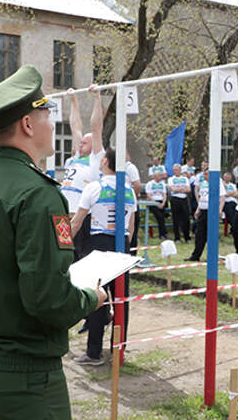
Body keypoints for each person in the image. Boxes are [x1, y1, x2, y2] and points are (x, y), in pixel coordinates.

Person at [0, 65, 106, 417]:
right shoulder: (38, 194)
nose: (53, 124)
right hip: (22, 371)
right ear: (28, 125)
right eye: (46, 114)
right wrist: (91, 298)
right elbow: (48, 299)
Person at [71, 148, 137, 365]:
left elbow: (78, 221)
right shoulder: (129, 190)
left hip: (99, 244)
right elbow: (131, 225)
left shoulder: (94, 187)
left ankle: (93, 352)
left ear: (106, 161)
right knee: (121, 299)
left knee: (97, 298)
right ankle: (119, 350)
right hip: (122, 243)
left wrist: (62, 243)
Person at [61, 86, 104, 260]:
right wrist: (73, 100)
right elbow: (75, 127)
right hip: (63, 214)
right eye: (81, 143)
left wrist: (97, 98)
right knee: (63, 255)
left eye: (85, 143)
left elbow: (96, 127)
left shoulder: (95, 159)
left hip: (78, 218)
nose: (80, 144)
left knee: (78, 257)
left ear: (93, 144)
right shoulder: (75, 158)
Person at [185, 169, 224, 261]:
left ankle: (212, 256)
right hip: (203, 211)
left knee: (211, 235)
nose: (204, 176)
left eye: (206, 174)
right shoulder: (203, 184)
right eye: (203, 174)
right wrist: (198, 209)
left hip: (212, 211)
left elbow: (222, 197)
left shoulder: (218, 183)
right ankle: (196, 255)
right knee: (199, 234)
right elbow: (202, 198)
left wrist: (220, 210)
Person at [168, 163, 191, 243]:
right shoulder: (171, 179)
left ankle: (187, 237)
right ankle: (177, 238)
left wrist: (178, 189)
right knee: (176, 219)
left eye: (177, 170)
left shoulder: (185, 179)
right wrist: (182, 188)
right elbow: (173, 189)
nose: (175, 171)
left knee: (186, 219)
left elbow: (188, 189)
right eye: (174, 170)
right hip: (175, 200)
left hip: (184, 199)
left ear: (180, 170)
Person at [145, 168, 169, 240]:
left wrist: (163, 203)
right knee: (160, 217)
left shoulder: (162, 184)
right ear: (155, 176)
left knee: (162, 217)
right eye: (159, 175)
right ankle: (163, 234)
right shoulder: (150, 184)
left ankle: (163, 234)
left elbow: (165, 194)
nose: (161, 177)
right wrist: (156, 203)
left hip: (161, 201)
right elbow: (148, 195)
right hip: (153, 202)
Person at [126, 150, 142, 255]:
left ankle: (132, 255)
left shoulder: (130, 167)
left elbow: (137, 185)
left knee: (132, 229)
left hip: (130, 204)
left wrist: (132, 199)